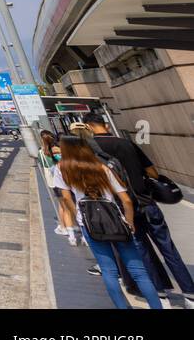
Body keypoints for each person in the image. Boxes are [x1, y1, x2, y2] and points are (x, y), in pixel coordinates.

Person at [88, 118, 192, 303]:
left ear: (89, 127)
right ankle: (189, 293)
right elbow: (152, 172)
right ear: (106, 125)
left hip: (123, 207)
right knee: (168, 248)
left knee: (142, 251)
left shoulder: (91, 150)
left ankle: (160, 293)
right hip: (147, 203)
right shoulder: (127, 144)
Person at [51, 135, 162, 309]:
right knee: (139, 272)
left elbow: (66, 198)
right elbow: (125, 200)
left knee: (108, 271)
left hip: (90, 223)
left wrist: (79, 217)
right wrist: (129, 221)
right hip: (117, 221)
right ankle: (157, 307)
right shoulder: (102, 167)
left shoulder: (62, 169)